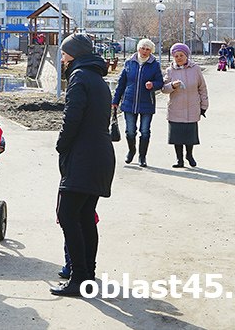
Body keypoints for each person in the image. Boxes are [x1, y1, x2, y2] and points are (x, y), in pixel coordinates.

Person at [50, 33, 115, 297]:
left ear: (74, 54)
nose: (62, 58)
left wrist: (61, 146)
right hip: (100, 155)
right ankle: (88, 274)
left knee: (68, 215)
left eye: (65, 54)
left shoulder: (79, 77)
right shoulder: (97, 77)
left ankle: (78, 278)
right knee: (85, 217)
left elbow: (71, 118)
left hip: (83, 156)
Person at [111, 38, 164, 167]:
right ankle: (131, 150)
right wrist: (115, 100)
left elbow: (160, 82)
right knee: (130, 131)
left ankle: (142, 156)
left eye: (148, 49)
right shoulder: (129, 63)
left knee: (145, 131)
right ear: (138, 48)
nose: (145, 51)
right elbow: (121, 83)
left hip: (147, 102)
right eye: (143, 48)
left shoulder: (154, 64)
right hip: (129, 102)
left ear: (151, 51)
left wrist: (153, 84)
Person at [161, 43, 209, 168]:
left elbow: (202, 88)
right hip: (176, 108)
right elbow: (163, 89)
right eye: (176, 56)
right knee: (177, 136)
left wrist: (204, 105)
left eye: (181, 55)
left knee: (189, 135)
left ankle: (189, 155)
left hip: (192, 106)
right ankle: (179, 160)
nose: (179, 58)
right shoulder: (170, 70)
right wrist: (172, 85)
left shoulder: (195, 69)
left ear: (186, 55)